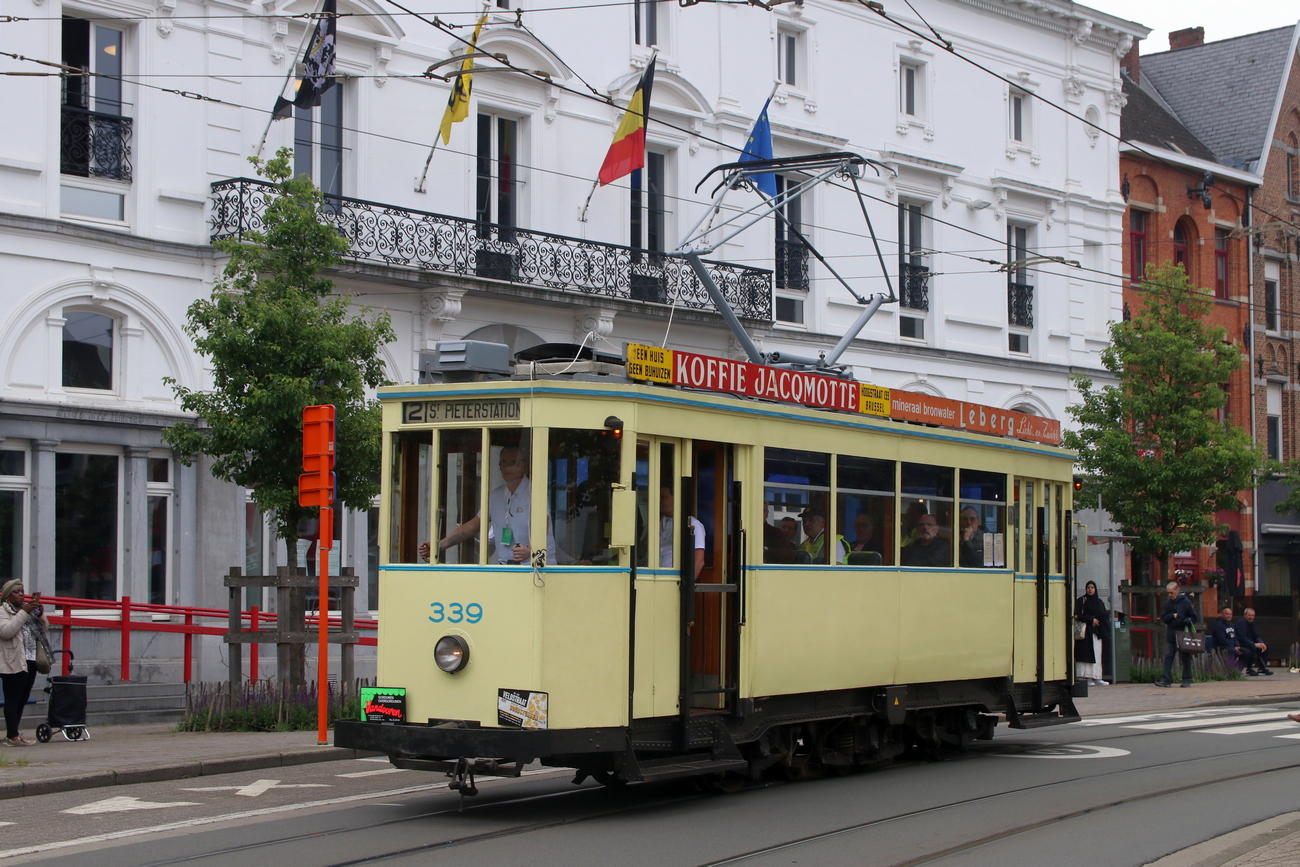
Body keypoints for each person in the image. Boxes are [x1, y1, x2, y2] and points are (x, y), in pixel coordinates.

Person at [421, 446, 557, 564]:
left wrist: (530, 550)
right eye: (504, 462)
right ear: (499, 465)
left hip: (536, 568)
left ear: (524, 465)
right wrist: (438, 546)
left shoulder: (535, 493)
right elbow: (471, 526)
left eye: (513, 462)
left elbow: (543, 525)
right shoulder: (496, 496)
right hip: (504, 567)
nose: (507, 467)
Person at [0, 580, 49, 747]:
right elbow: (6, 632)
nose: (21, 594)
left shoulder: (26, 611)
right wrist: (25, 613)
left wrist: (40, 614)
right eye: (16, 592)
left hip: (30, 659)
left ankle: (14, 733)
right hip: (13, 661)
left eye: (22, 591)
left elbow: (45, 628)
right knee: (12, 698)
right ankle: (12, 736)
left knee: (23, 698)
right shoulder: (3, 611)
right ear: (7, 595)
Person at [1155, 580, 1197, 688]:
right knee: (1169, 655)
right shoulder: (1168, 603)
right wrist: (1173, 616)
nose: (1170, 595)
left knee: (1185, 656)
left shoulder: (1186, 602)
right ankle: (1166, 679)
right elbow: (1164, 618)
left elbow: (1193, 617)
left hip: (1183, 632)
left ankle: (1187, 679)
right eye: (1168, 593)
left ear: (1177, 590)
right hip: (1172, 632)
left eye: (1171, 592)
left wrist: (1186, 620)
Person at [660, 486, 705, 580]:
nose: (660, 501)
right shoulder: (655, 523)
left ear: (676, 498)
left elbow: (699, 561)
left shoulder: (693, 524)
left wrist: (686, 587)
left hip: (674, 580)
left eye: (663, 497)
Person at [1074, 580, 1109, 686]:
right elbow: (1077, 614)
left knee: (1097, 655)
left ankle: (1097, 677)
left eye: (1092, 587)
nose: (1090, 589)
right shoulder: (1081, 601)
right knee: (1086, 654)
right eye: (1088, 587)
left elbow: (1104, 616)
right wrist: (1091, 619)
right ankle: (1086, 677)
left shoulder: (1099, 602)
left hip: (1096, 633)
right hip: (1085, 633)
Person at [1235, 608, 1272, 676]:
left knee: (1266, 646)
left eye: (1253, 615)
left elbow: (1256, 636)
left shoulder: (1251, 623)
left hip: (1250, 642)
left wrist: (1261, 643)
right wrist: (1254, 644)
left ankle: (1261, 667)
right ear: (1245, 615)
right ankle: (1249, 668)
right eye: (1249, 615)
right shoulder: (1241, 623)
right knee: (1252, 647)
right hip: (1242, 643)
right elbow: (1241, 638)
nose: (1251, 617)